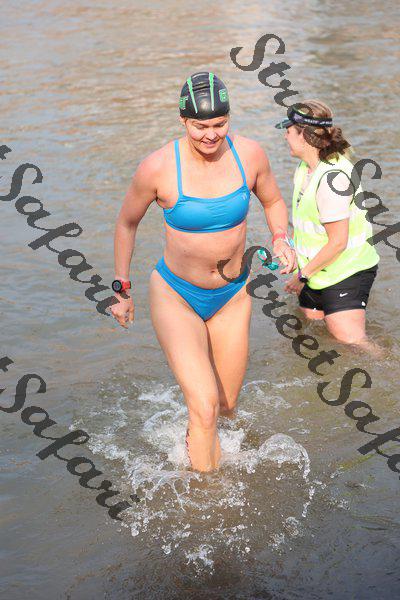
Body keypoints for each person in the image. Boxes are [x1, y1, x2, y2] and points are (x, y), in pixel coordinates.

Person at [111, 71, 296, 473]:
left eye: (219, 124)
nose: (210, 135)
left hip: (232, 296)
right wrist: (122, 289)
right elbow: (126, 223)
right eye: (200, 126)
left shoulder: (250, 155)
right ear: (183, 120)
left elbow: (273, 201)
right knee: (206, 406)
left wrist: (282, 238)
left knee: (226, 406)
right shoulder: (158, 167)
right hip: (177, 295)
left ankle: (194, 447)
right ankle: (206, 496)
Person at [276, 100, 380, 351]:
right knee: (316, 336)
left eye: (288, 131)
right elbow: (304, 221)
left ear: (304, 136)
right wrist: (292, 251)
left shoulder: (333, 179)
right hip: (316, 271)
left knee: (354, 344)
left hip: (346, 271)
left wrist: (302, 276)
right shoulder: (305, 168)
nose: (285, 136)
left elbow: (338, 242)